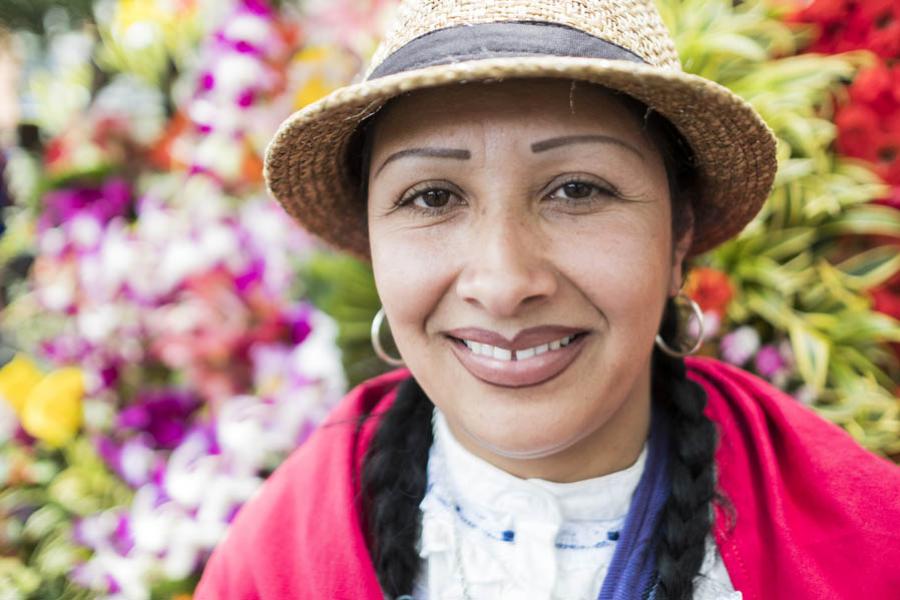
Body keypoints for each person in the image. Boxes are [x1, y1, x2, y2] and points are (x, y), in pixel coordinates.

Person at [195, 0, 900, 599]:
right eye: (432, 196)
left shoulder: (869, 545)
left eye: (577, 190)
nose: (502, 284)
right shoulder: (272, 566)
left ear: (678, 235)